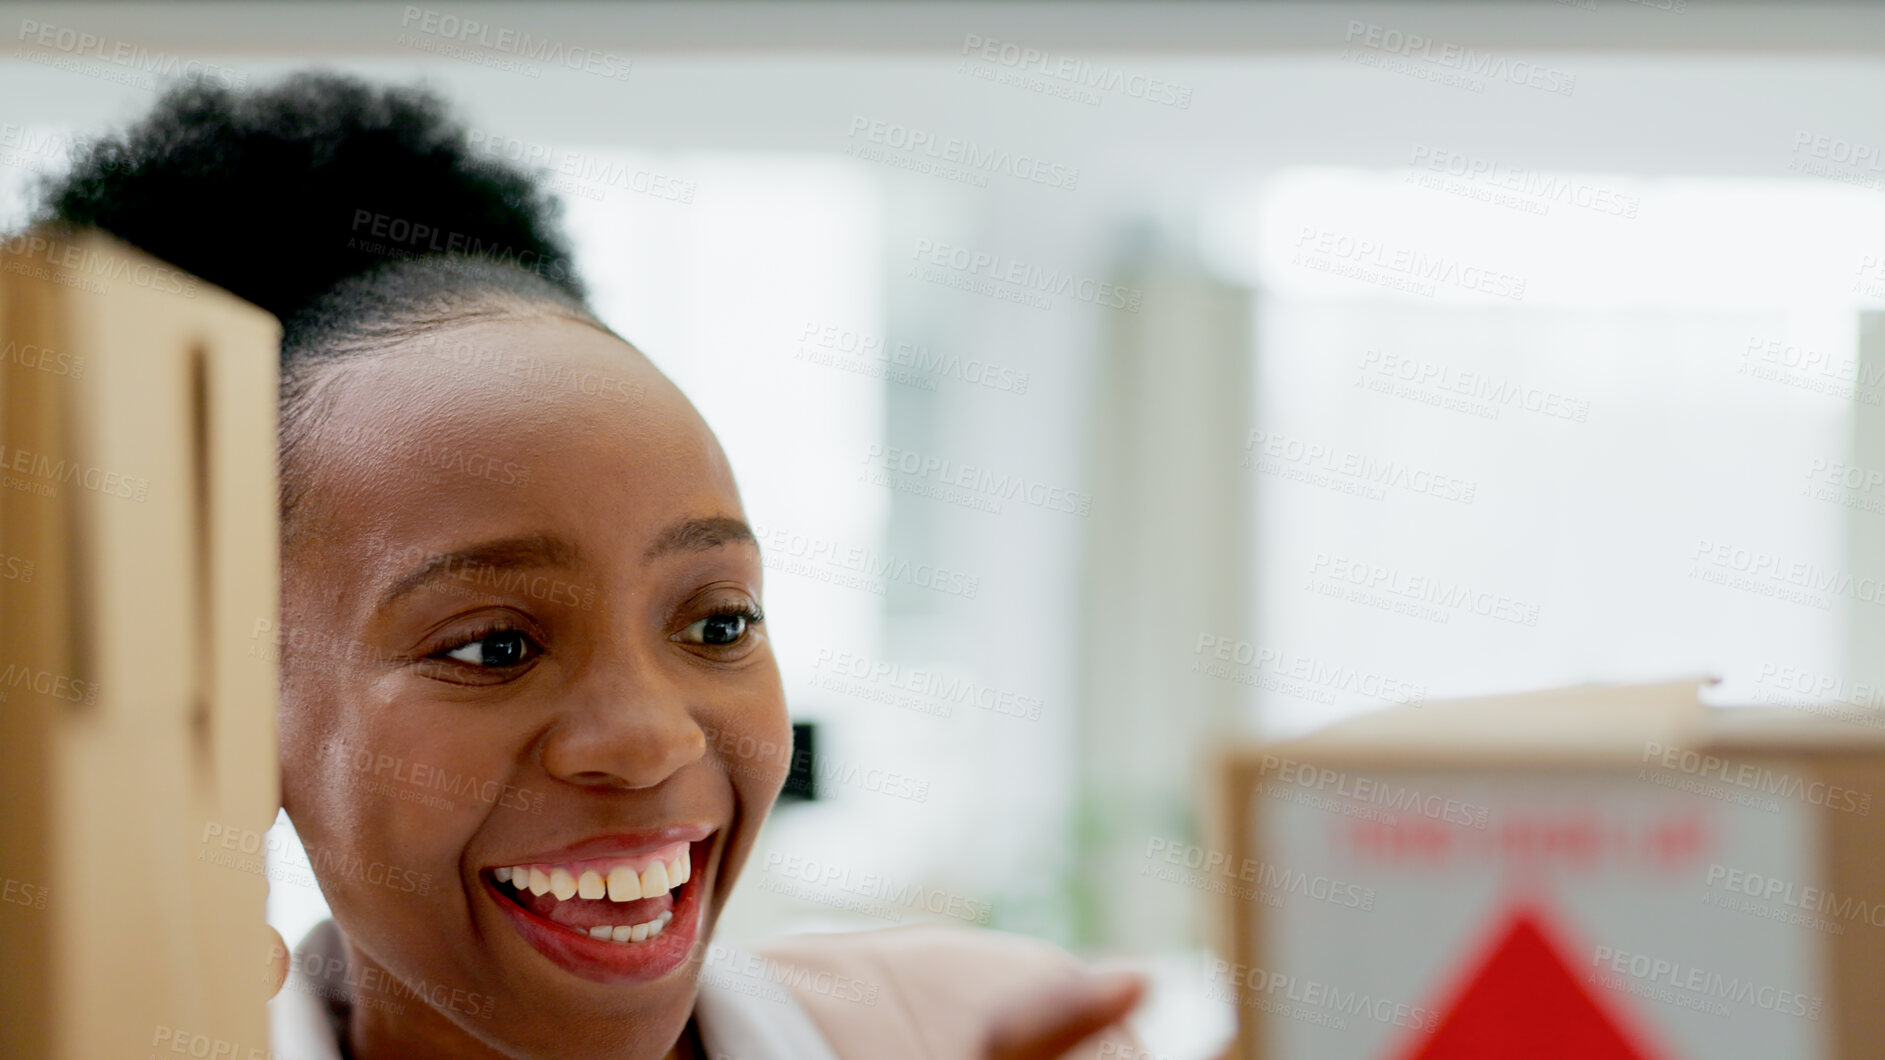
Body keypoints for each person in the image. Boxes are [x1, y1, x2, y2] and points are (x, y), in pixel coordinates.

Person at [34, 73, 1148, 1060]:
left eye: (717, 623)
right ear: (226, 703)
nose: (653, 738)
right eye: (493, 646)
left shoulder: (968, 1029)